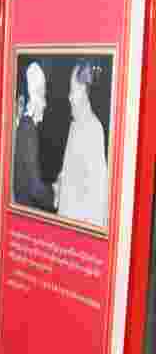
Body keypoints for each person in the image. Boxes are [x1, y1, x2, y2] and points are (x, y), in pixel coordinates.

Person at [55, 60, 109, 228]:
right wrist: (59, 184)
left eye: (74, 91)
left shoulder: (93, 129)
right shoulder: (74, 125)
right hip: (65, 223)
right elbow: (68, 172)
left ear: (86, 94)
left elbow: (98, 195)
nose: (70, 97)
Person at [13, 62, 56, 212]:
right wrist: (56, 198)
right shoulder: (28, 128)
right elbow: (35, 189)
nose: (45, 104)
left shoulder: (23, 126)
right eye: (42, 96)